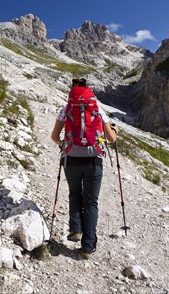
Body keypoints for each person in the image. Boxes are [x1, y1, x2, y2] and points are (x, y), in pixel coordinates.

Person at [50, 77, 118, 259]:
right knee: (91, 202)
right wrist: (115, 132)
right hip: (93, 162)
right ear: (88, 92)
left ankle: (75, 229)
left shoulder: (65, 110)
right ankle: (88, 246)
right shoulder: (98, 110)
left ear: (71, 92)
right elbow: (111, 139)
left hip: (71, 159)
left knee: (74, 193)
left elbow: (54, 136)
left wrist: (64, 145)